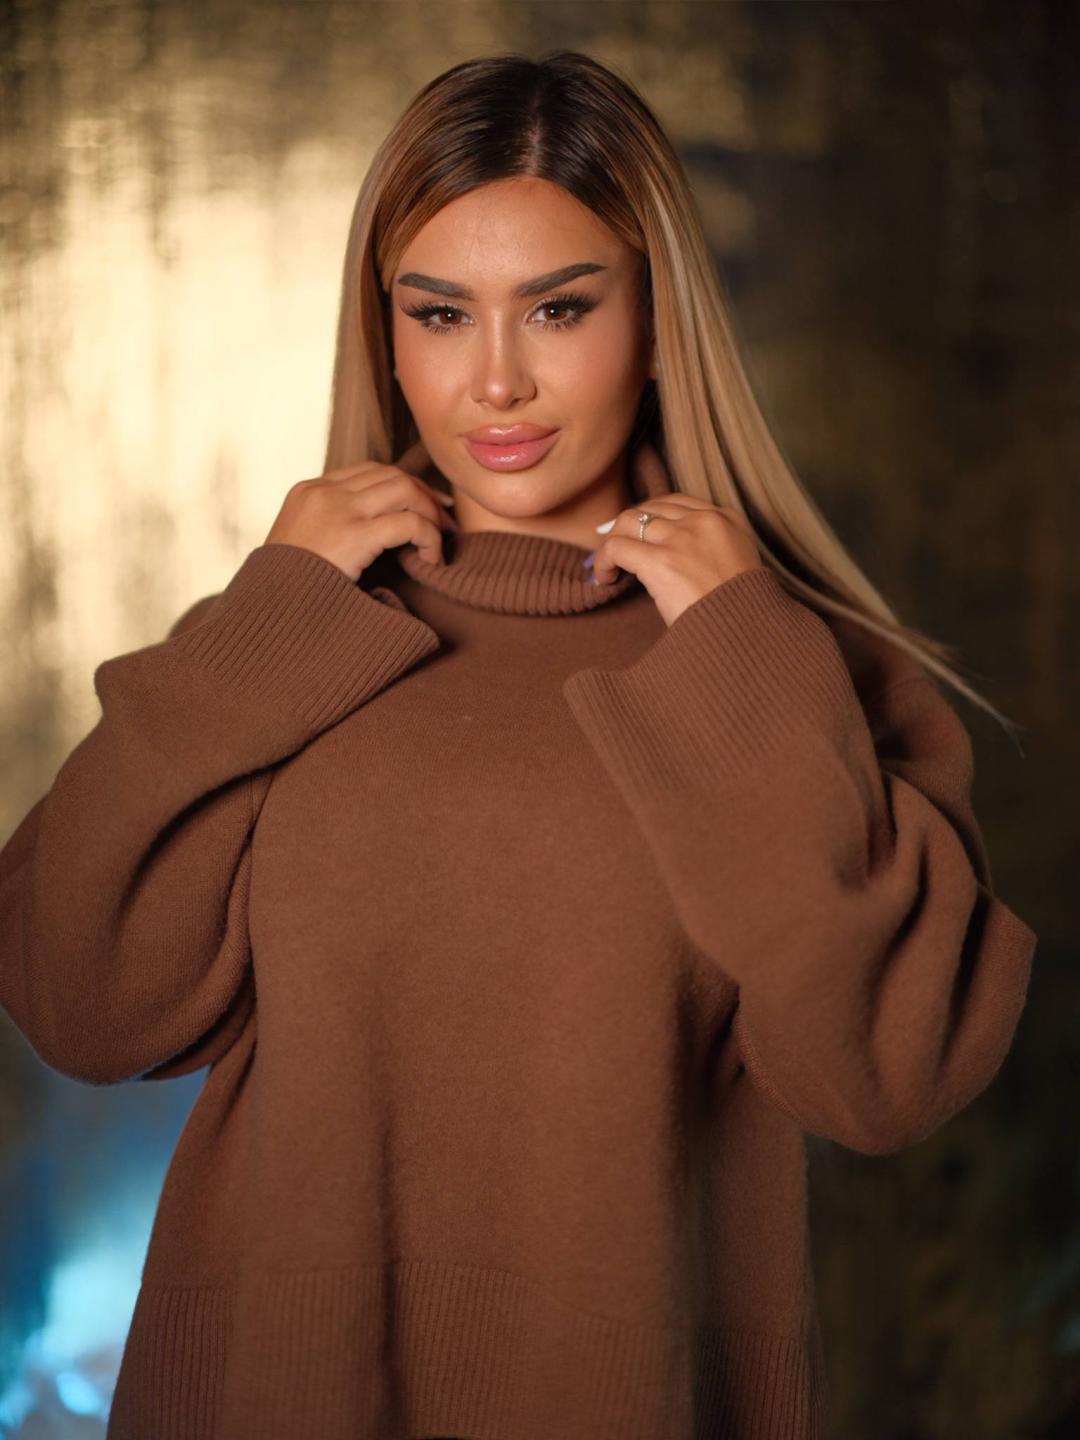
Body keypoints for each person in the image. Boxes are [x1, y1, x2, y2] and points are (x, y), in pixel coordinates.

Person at [0, 48, 1037, 1440]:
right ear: (386, 335)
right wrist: (268, 618)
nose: (496, 382)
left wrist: (742, 652)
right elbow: (78, 1002)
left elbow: (881, 1076)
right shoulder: (286, 640)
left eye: (558, 308)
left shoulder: (801, 673)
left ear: (657, 323)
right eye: (441, 314)